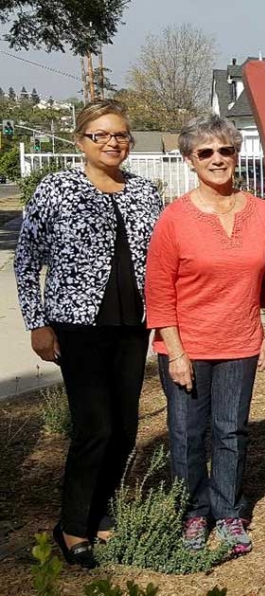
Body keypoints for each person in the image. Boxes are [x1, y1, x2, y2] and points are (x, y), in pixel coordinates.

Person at [14, 99, 162, 569]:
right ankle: (72, 524)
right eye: (100, 134)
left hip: (132, 326)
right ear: (81, 141)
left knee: (124, 429)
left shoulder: (145, 192)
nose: (112, 142)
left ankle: (101, 514)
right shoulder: (55, 189)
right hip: (78, 327)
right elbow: (26, 261)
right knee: (94, 428)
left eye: (120, 134)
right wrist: (37, 322)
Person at [145, 115, 265, 557]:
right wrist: (176, 352)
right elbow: (159, 287)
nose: (217, 159)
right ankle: (192, 513)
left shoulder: (261, 213)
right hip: (186, 347)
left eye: (225, 150)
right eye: (205, 152)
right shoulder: (175, 218)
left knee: (231, 432)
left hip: (240, 344)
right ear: (190, 159)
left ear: (236, 154)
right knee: (187, 433)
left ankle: (227, 511)